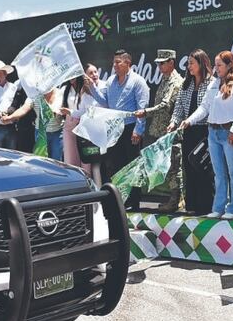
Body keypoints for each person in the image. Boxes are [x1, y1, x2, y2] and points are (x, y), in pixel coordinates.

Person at [181, 51, 233, 219]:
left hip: (230, 133)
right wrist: (189, 120)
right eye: (215, 65)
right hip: (213, 132)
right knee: (219, 174)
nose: (216, 68)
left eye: (220, 65)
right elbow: (204, 107)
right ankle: (218, 208)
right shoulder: (214, 84)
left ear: (229, 65)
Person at [90, 50, 149, 210]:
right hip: (115, 128)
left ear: (127, 63)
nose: (114, 65)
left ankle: (134, 202)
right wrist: (92, 88)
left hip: (131, 128)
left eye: (118, 62)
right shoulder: (110, 81)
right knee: (117, 165)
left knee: (133, 165)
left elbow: (142, 107)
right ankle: (122, 199)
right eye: (114, 62)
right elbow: (105, 102)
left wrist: (138, 130)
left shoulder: (138, 81)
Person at [134, 49, 183, 212]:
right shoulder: (165, 80)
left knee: (174, 167)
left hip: (170, 131)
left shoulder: (175, 82)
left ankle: (175, 200)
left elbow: (165, 105)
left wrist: (145, 112)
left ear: (171, 62)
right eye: (158, 64)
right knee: (168, 166)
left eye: (163, 63)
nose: (160, 66)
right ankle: (176, 199)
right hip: (161, 131)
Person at [168, 50, 215, 215]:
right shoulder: (185, 84)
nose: (189, 67)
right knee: (189, 166)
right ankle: (192, 205)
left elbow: (208, 108)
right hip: (188, 131)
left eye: (192, 63)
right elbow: (179, 107)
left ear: (201, 64)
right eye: (188, 63)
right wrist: (173, 122)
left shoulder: (211, 84)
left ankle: (206, 206)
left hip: (205, 131)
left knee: (204, 168)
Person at [61, 69, 101, 181]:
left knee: (86, 160)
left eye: (73, 75)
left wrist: (71, 112)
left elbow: (88, 109)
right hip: (69, 127)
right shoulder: (65, 89)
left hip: (84, 126)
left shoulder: (85, 88)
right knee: (70, 159)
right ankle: (74, 184)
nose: (71, 78)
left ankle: (87, 184)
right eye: (69, 76)